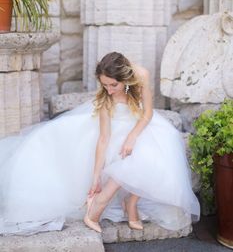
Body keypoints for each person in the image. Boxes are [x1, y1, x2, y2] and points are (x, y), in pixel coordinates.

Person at [0, 52, 200, 236]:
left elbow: (147, 113)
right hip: (114, 128)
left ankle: (130, 201)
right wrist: (96, 178)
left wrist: (132, 136)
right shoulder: (106, 102)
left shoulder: (141, 75)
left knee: (156, 144)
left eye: (113, 85)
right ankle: (102, 201)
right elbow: (104, 139)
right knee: (127, 154)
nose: (109, 90)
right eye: (105, 85)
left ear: (125, 79)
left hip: (140, 123)